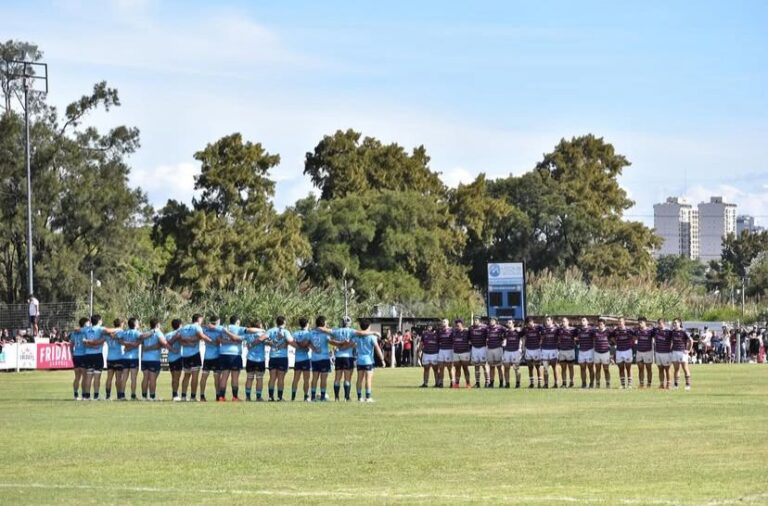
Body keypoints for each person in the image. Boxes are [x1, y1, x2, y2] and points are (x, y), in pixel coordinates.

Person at [82, 314, 118, 401]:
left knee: (88, 376)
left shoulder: (86, 329)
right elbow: (109, 330)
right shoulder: (100, 329)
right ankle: (96, 396)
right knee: (97, 376)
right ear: (99, 321)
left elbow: (84, 342)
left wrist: (90, 345)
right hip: (97, 355)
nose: (102, 321)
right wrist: (118, 328)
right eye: (101, 320)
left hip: (87, 355)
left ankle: (86, 396)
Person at [178, 314, 214, 401]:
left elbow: (180, 339)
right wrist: (211, 341)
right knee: (195, 376)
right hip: (194, 354)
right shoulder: (197, 327)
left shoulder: (185, 327)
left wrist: (188, 342)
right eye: (202, 319)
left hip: (185, 355)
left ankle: (183, 396)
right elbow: (201, 336)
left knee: (186, 376)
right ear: (199, 319)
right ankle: (193, 397)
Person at [218, 316, 251, 402]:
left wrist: (228, 341)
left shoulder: (224, 328)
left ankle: (221, 397)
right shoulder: (239, 328)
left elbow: (219, 339)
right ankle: (235, 397)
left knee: (224, 376)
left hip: (223, 354)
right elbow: (241, 338)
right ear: (237, 322)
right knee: (235, 377)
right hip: (235, 354)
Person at [352, 320, 385, 402]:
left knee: (359, 379)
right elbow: (377, 349)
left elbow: (352, 344)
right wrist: (382, 359)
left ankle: (359, 397)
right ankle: (368, 397)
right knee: (368, 379)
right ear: (369, 326)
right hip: (368, 361)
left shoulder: (357, 336)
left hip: (359, 360)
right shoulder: (372, 337)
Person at [266, 316, 294, 401]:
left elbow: (264, 340)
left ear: (276, 322)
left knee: (272, 378)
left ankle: (270, 397)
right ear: (284, 322)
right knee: (281, 378)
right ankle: (279, 397)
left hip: (273, 357)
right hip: (282, 357)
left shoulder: (270, 330)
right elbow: (291, 341)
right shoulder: (285, 331)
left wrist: (269, 343)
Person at [138, 318, 167, 401]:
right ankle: (152, 397)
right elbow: (163, 343)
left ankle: (144, 396)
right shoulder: (158, 332)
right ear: (157, 325)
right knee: (152, 379)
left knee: (145, 378)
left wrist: (146, 349)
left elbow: (141, 341)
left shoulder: (146, 333)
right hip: (154, 359)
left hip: (145, 359)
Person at [199, 316, 224, 402]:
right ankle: (217, 396)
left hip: (207, 357)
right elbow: (219, 341)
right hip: (216, 356)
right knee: (217, 377)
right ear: (217, 322)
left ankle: (202, 395)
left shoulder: (205, 330)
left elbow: (202, 327)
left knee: (204, 376)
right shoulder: (219, 330)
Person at [242, 319, 268, 401]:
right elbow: (268, 342)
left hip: (250, 358)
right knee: (259, 378)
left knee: (249, 378)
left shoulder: (248, 334)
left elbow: (244, 341)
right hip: (260, 359)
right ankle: (258, 397)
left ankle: (248, 397)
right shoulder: (263, 333)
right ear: (259, 325)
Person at [290, 317, 313, 401]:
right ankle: (306, 396)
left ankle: (293, 397)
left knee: (295, 379)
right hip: (306, 359)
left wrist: (299, 346)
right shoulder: (309, 333)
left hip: (297, 360)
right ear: (307, 324)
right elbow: (308, 344)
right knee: (306, 379)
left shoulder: (295, 333)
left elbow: (292, 342)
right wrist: (305, 348)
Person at [68, 317, 90, 400]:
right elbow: (86, 343)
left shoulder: (74, 333)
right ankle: (84, 395)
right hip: (83, 355)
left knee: (77, 377)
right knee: (85, 377)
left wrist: (72, 354)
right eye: (88, 323)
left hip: (76, 356)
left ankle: (75, 395)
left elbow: (71, 345)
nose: (89, 324)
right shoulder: (85, 332)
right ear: (85, 324)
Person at [104, 318, 125, 401]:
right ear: (121, 324)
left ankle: (107, 396)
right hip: (118, 357)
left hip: (109, 358)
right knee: (118, 378)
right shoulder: (121, 332)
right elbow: (123, 341)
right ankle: (119, 396)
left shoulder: (107, 334)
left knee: (109, 378)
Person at [611, 317, 634, 389]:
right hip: (619, 351)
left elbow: (635, 336)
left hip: (627, 350)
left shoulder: (629, 330)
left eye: (621, 321)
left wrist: (631, 343)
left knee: (628, 368)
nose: (619, 323)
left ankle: (629, 384)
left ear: (624, 322)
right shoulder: (615, 331)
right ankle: (622, 384)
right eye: (618, 321)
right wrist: (616, 342)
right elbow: (611, 337)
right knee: (621, 368)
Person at [670, 318, 692, 390]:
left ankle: (688, 385)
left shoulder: (684, 331)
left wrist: (688, 350)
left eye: (676, 323)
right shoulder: (672, 332)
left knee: (685, 368)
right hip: (674, 352)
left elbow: (691, 340)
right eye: (673, 323)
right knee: (676, 369)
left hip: (682, 352)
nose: (674, 324)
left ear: (679, 323)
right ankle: (676, 385)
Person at [164, 319, 183, 401]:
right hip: (178, 357)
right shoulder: (179, 333)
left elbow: (165, 344)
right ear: (180, 325)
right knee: (177, 378)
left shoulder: (167, 334)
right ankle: (175, 395)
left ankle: (174, 394)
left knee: (173, 377)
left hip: (170, 358)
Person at [634, 317, 655, 388]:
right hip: (639, 351)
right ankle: (641, 384)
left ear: (645, 323)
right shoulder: (636, 331)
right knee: (640, 369)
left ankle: (649, 384)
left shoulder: (650, 331)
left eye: (641, 322)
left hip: (648, 352)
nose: (639, 324)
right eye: (639, 322)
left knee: (649, 369)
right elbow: (634, 338)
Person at [539, 316, 559, 388]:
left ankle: (556, 383)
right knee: (545, 368)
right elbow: (541, 338)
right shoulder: (543, 329)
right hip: (544, 350)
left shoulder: (556, 329)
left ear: (552, 321)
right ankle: (546, 384)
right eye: (546, 320)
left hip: (553, 349)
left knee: (554, 367)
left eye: (548, 320)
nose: (547, 321)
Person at [469, 316, 489, 388]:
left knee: (484, 365)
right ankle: (477, 383)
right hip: (474, 348)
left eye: (476, 320)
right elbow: (469, 337)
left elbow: (489, 335)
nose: (475, 321)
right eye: (474, 320)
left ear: (479, 321)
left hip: (482, 348)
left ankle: (487, 382)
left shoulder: (485, 327)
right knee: (476, 366)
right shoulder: (471, 328)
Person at [502, 319, 522, 388]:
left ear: (513, 324)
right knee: (506, 368)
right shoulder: (506, 332)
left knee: (516, 368)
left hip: (515, 351)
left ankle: (518, 383)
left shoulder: (518, 331)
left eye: (509, 323)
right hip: (507, 351)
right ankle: (507, 384)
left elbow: (524, 333)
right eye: (508, 323)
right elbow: (503, 339)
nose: (508, 324)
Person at [522, 317, 542, 388]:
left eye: (529, 323)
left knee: (538, 366)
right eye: (527, 324)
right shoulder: (525, 329)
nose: (529, 325)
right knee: (530, 367)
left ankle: (539, 383)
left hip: (536, 349)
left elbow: (544, 333)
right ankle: (531, 383)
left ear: (532, 321)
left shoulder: (539, 327)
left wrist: (541, 341)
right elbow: (520, 334)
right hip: (528, 349)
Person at [452, 319, 472, 389]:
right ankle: (457, 384)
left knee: (465, 368)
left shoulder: (467, 332)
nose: (457, 326)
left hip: (465, 352)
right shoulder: (454, 332)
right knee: (457, 368)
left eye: (458, 325)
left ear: (462, 325)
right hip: (456, 352)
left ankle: (468, 383)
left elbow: (471, 333)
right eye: (456, 325)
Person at [557, 317, 576, 388]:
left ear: (568, 322)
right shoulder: (559, 330)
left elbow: (577, 337)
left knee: (571, 367)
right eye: (562, 321)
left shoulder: (573, 330)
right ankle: (564, 383)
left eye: (564, 321)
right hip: (562, 350)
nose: (563, 323)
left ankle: (571, 382)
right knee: (563, 368)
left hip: (570, 350)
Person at [485, 317, 504, 388]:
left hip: (498, 348)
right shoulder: (487, 328)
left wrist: (503, 339)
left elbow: (507, 331)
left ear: (496, 321)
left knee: (499, 367)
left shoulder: (500, 328)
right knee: (491, 367)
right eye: (490, 320)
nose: (491, 321)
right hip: (490, 349)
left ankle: (501, 383)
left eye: (493, 320)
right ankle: (491, 383)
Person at [576, 317, 595, 389]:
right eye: (581, 320)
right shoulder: (579, 330)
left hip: (589, 350)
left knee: (590, 367)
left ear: (587, 322)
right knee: (582, 368)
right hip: (581, 351)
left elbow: (594, 338)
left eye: (584, 320)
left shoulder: (591, 330)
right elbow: (576, 338)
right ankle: (584, 383)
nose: (582, 321)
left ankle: (591, 383)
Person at [654, 319, 673, 389]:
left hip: (666, 353)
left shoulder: (669, 332)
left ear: (664, 323)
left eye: (660, 323)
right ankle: (661, 384)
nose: (659, 325)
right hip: (658, 353)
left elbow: (674, 340)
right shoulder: (655, 331)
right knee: (660, 369)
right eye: (658, 323)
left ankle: (668, 384)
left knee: (667, 369)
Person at [593, 319, 611, 388]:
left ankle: (608, 383)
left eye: (601, 324)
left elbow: (612, 339)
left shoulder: (608, 331)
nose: (600, 325)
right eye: (599, 324)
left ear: (604, 324)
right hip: (597, 352)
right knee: (597, 369)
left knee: (606, 369)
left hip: (605, 352)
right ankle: (597, 384)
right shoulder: (595, 332)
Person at [436, 319, 454, 388]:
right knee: (441, 367)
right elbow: (438, 340)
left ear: (447, 323)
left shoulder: (452, 330)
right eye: (442, 322)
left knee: (450, 368)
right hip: (441, 350)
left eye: (444, 322)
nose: (443, 323)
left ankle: (452, 382)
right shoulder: (440, 331)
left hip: (449, 350)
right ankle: (441, 383)